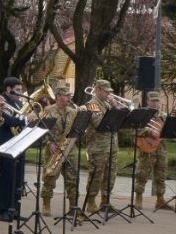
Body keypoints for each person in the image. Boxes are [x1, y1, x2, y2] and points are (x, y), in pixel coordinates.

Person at [40, 85, 79, 216]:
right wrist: (49, 143)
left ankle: (73, 206)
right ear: (58, 97)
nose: (69, 97)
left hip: (69, 148)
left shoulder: (72, 111)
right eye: (66, 95)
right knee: (49, 177)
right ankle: (46, 204)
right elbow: (42, 129)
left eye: (69, 95)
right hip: (54, 148)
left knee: (72, 178)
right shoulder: (48, 110)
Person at [0, 76, 28, 222]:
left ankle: (14, 209)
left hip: (18, 144)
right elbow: (7, 121)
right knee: (6, 178)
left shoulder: (18, 103)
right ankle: (2, 210)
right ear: (8, 89)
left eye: (21, 90)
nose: (20, 93)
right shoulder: (1, 101)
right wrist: (26, 119)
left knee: (18, 179)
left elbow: (20, 122)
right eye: (18, 90)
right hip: (5, 144)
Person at [83, 79, 120, 212]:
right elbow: (99, 123)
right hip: (98, 147)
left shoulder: (108, 104)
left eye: (109, 92)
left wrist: (116, 107)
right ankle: (91, 202)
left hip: (111, 146)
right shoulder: (91, 104)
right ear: (97, 90)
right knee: (96, 175)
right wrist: (112, 110)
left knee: (111, 175)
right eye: (106, 92)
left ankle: (105, 201)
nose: (108, 95)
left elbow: (120, 122)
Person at [134, 91, 169, 210]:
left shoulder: (163, 116)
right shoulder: (143, 114)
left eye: (157, 101)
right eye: (153, 101)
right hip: (147, 148)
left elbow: (167, 131)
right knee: (142, 174)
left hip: (161, 149)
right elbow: (136, 129)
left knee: (161, 174)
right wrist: (149, 132)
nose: (155, 103)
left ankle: (160, 199)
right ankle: (138, 197)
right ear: (148, 101)